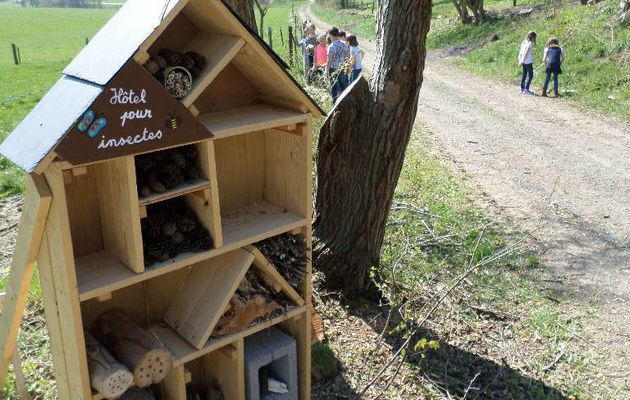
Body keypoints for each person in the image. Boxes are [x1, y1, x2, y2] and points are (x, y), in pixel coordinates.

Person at [325, 27, 350, 103]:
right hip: (342, 67)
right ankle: (346, 101)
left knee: (334, 86)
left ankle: (335, 103)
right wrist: (347, 66)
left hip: (333, 69)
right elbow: (347, 56)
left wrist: (326, 71)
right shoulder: (343, 44)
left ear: (331, 35)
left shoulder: (331, 46)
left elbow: (329, 60)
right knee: (344, 86)